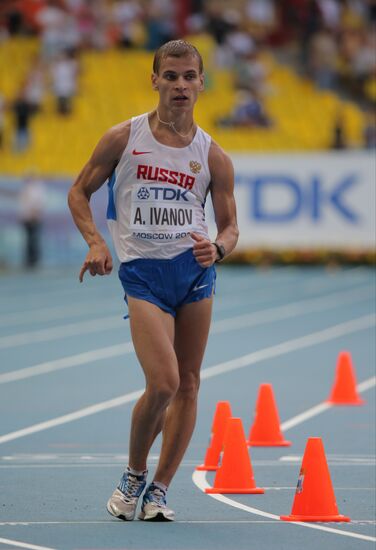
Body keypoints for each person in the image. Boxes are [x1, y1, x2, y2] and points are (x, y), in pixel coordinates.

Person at [68, 39, 238, 522]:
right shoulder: (123, 138)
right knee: (162, 382)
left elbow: (230, 226)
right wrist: (97, 243)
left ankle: (160, 490)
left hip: (194, 274)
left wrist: (220, 248)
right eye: (171, 76)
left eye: (190, 76)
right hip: (143, 273)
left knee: (188, 383)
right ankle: (134, 474)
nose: (180, 85)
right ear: (155, 80)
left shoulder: (214, 157)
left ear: (202, 83)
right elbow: (79, 192)